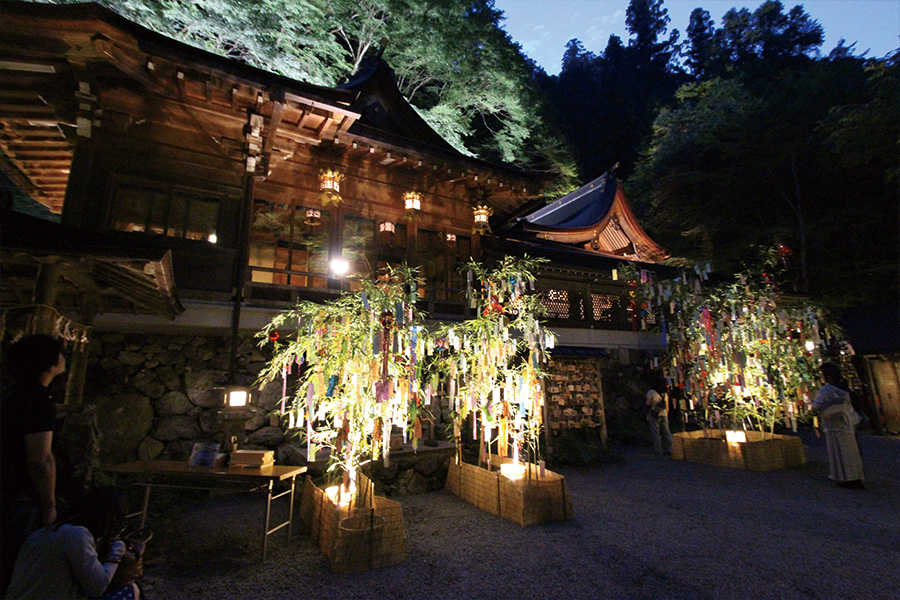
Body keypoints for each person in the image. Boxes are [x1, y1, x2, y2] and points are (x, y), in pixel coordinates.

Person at [1, 334, 66, 596]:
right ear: (49, 364)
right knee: (20, 568)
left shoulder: (10, 394)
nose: (64, 359)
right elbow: (40, 458)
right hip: (20, 495)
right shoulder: (38, 399)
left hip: (5, 486)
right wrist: (49, 503)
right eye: (60, 355)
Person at [5, 486, 139, 600]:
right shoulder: (76, 535)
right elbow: (98, 586)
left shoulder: (45, 532)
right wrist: (117, 550)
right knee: (131, 590)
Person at [811, 362, 865, 489]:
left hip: (833, 424)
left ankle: (845, 477)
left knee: (839, 451)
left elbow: (816, 405)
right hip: (847, 422)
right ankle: (855, 476)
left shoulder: (827, 389)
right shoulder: (843, 387)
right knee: (851, 451)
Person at [646, 388, 673, 454]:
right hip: (664, 414)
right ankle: (671, 448)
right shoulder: (665, 394)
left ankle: (658, 449)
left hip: (654, 414)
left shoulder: (651, 392)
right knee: (666, 432)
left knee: (655, 432)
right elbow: (667, 406)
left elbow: (648, 403)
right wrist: (666, 414)